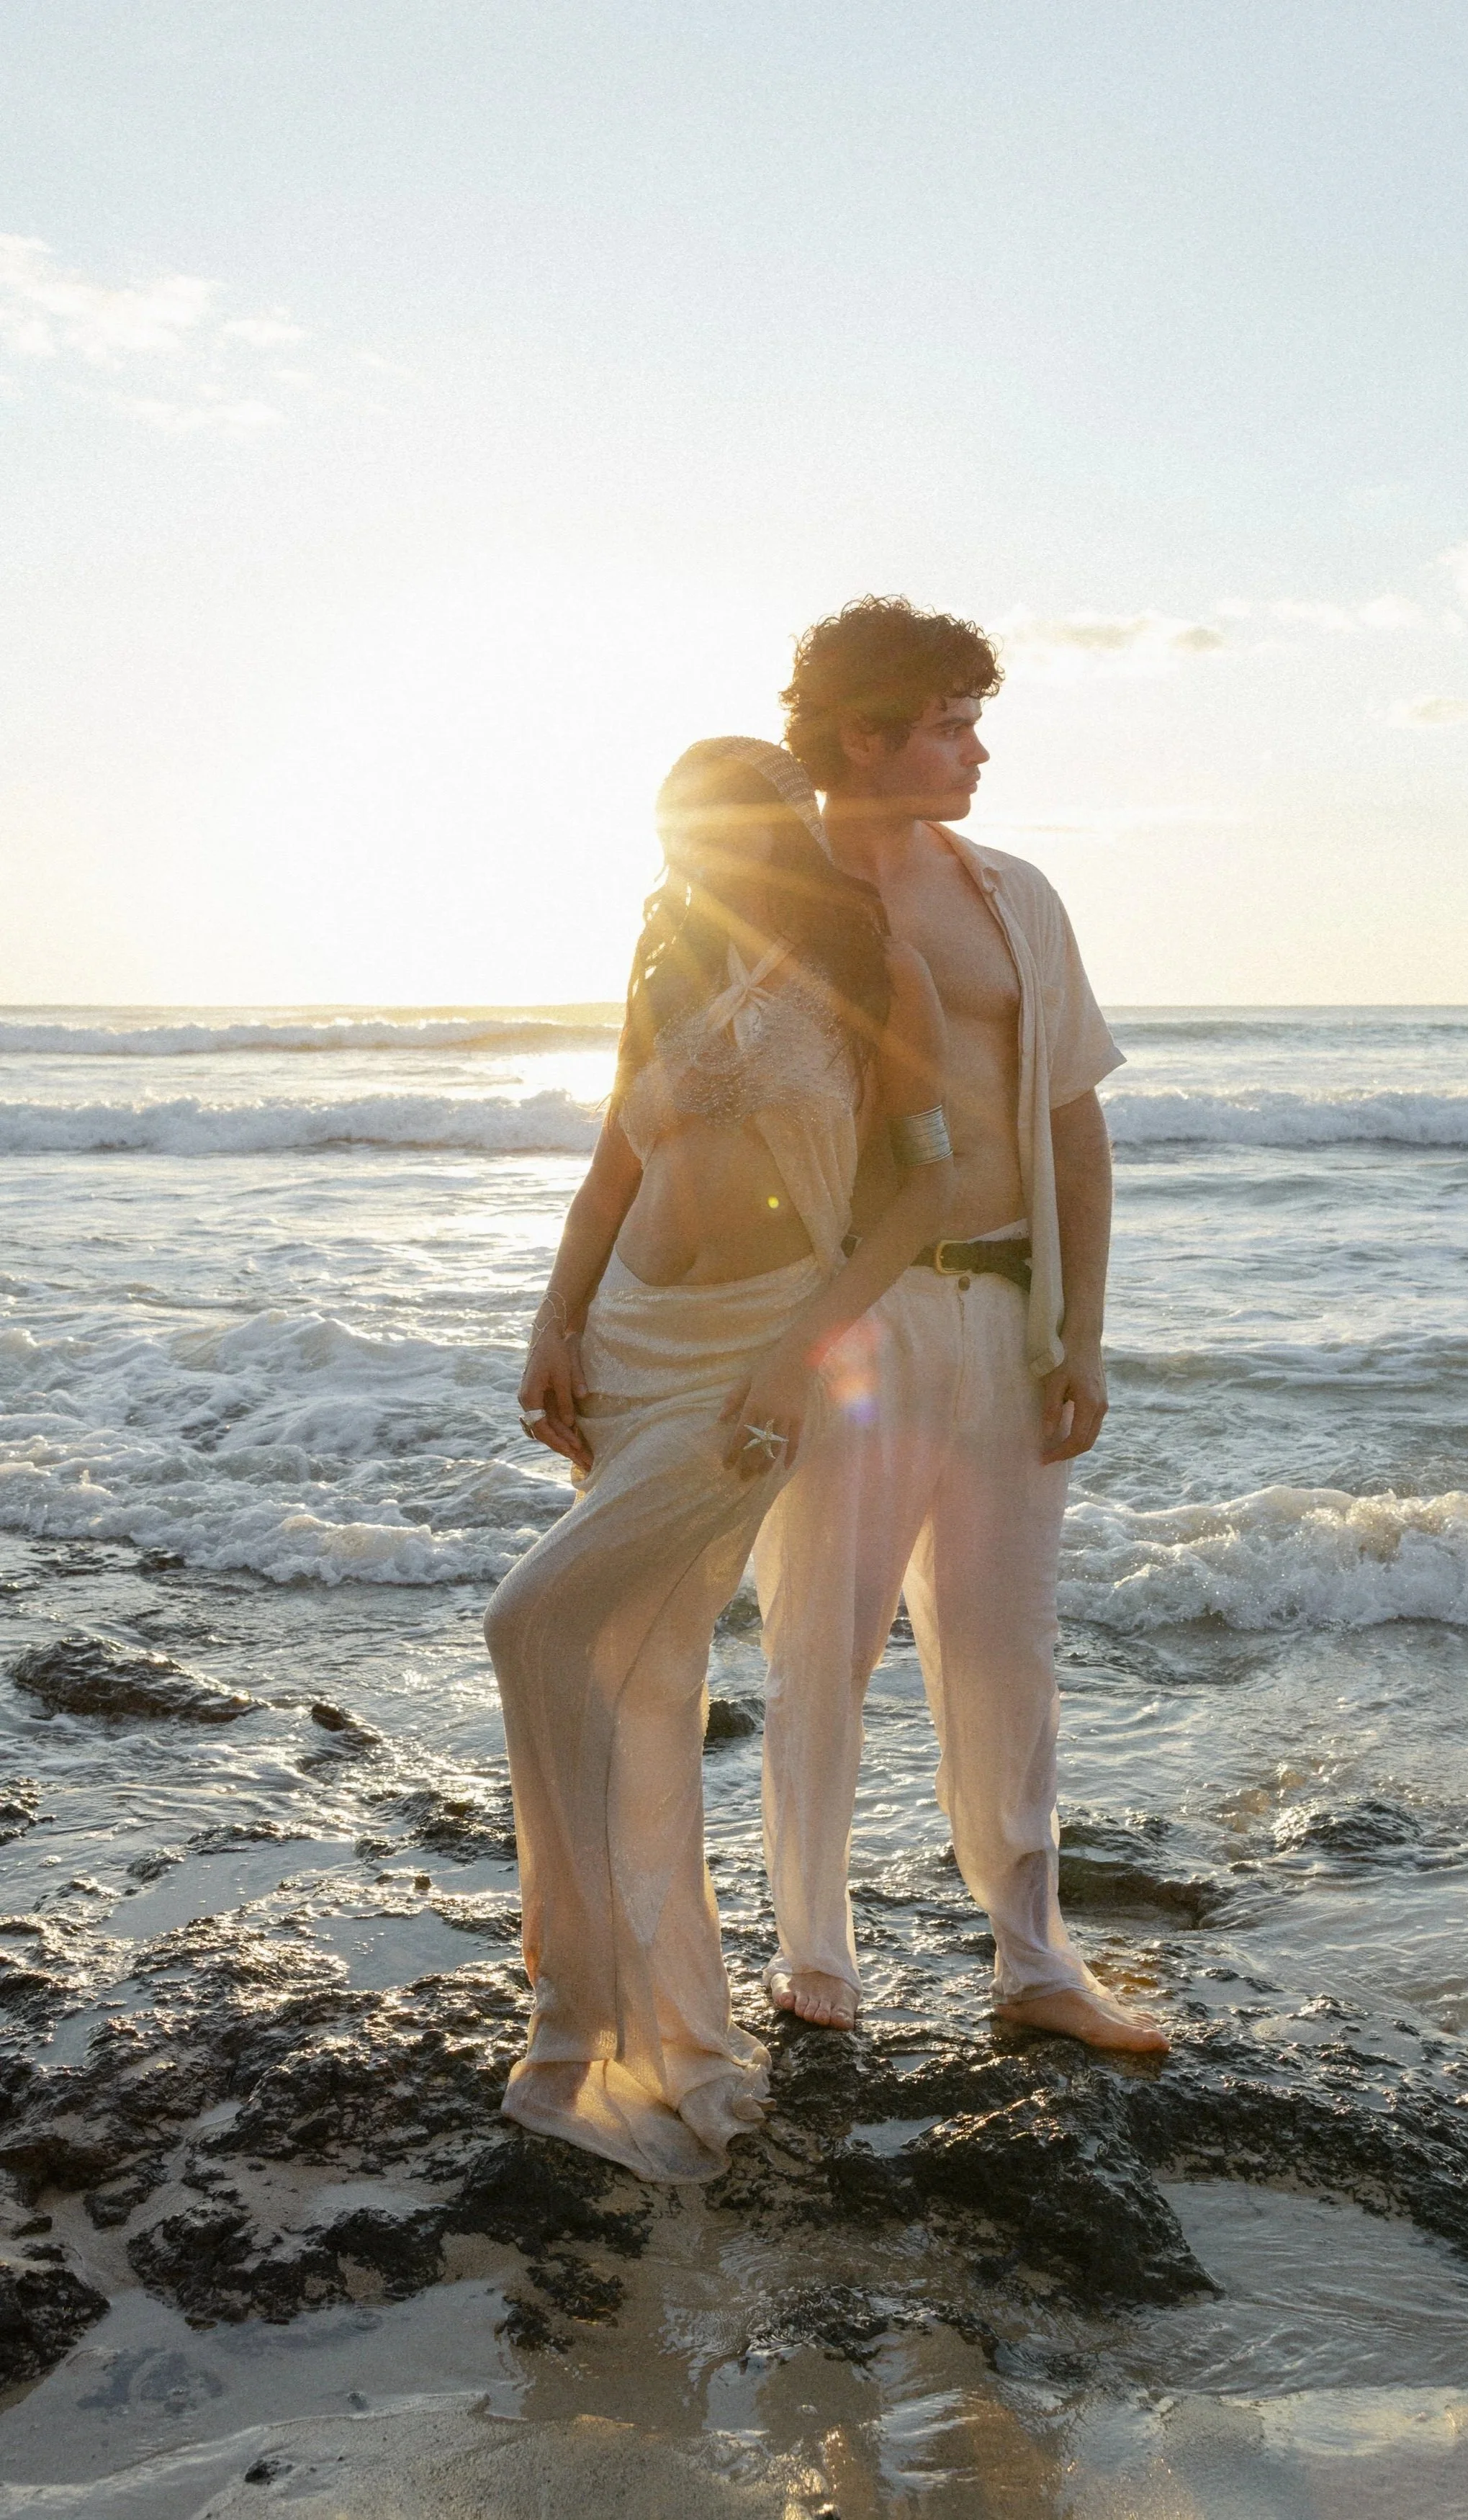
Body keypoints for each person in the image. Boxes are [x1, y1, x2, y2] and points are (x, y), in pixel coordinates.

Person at [483, 737, 950, 2181]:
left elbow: (928, 1186)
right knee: (641, 1673)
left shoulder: (872, 964)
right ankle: (624, 2018)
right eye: (676, 831)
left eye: (723, 827)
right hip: (628, 1344)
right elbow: (610, 1172)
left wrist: (799, 1352)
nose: (696, 855)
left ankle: (604, 1998)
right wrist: (554, 1320)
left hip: (749, 1356)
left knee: (534, 1621)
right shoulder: (665, 965)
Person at [755, 600, 1170, 2055]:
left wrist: (1082, 1332)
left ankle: (1035, 1958)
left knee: (1005, 1648)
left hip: (1004, 1305)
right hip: (847, 1330)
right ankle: (814, 1954)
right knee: (824, 1641)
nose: (976, 750)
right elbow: (676, 1122)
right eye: (947, 722)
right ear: (864, 731)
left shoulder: (1013, 894)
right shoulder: (765, 891)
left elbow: (1072, 1125)